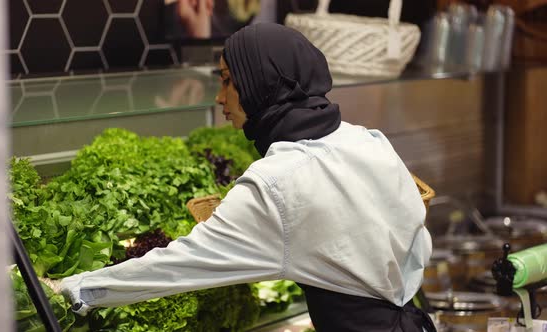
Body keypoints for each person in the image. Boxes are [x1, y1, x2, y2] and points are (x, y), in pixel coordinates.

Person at [60, 23, 435, 331]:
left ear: (260, 83)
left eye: (227, 81)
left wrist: (76, 289)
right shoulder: (366, 140)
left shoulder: (277, 182)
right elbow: (418, 244)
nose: (220, 99)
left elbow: (178, 266)